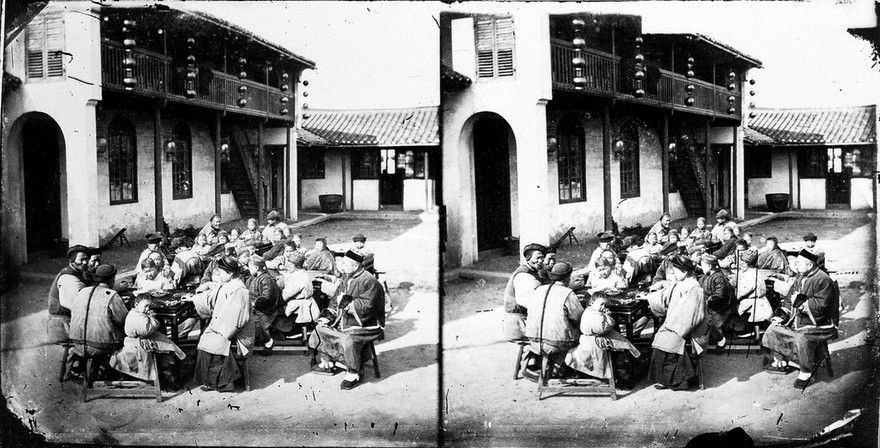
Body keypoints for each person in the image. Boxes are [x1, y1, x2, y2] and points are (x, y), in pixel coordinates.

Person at [308, 251, 385, 390]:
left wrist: (349, 305)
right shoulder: (346, 277)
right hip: (344, 318)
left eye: (345, 264)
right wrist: (327, 316)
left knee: (348, 339)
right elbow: (335, 300)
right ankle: (328, 361)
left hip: (367, 323)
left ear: (355, 266)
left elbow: (369, 306)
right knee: (320, 328)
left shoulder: (369, 281)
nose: (341, 266)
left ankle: (353, 372)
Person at [761, 250, 839, 388]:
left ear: (809, 265)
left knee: (802, 338)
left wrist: (803, 305)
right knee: (773, 328)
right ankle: (786, 359)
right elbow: (789, 298)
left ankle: (806, 371)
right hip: (799, 318)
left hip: (820, 322)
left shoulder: (823, 279)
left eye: (798, 263)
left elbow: (823, 305)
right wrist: (782, 315)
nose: (795, 266)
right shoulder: (800, 276)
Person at [187, 256, 254, 392]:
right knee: (207, 337)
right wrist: (194, 298)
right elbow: (212, 295)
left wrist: (219, 331)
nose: (219, 275)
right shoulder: (228, 285)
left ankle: (224, 382)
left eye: (221, 272)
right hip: (226, 325)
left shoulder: (240, 290)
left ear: (229, 273)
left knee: (212, 342)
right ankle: (214, 379)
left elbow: (236, 319)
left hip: (237, 332)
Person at [647, 255, 709, 390]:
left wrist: (671, 327)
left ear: (685, 272)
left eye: (675, 271)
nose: (674, 274)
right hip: (678, 323)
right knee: (660, 336)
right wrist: (649, 296)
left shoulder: (694, 288)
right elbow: (667, 294)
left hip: (690, 329)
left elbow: (690, 317)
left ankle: (679, 380)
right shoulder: (682, 283)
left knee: (665, 341)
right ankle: (667, 378)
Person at [522, 262, 584, 382]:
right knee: (583, 335)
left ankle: (548, 367)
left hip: (533, 340)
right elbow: (578, 318)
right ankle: (561, 370)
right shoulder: (567, 293)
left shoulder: (538, 289)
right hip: (556, 344)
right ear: (568, 277)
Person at [109, 295, 186, 385]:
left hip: (142, 337)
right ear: (137, 304)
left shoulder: (137, 313)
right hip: (138, 341)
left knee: (167, 341)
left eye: (149, 306)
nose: (148, 309)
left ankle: (170, 365)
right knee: (167, 344)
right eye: (145, 306)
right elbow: (146, 330)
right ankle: (164, 374)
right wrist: (153, 319)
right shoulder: (135, 317)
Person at [69, 264, 129, 379]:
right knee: (128, 334)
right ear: (112, 279)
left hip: (77, 342)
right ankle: (117, 371)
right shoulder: (112, 295)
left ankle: (95, 368)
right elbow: (122, 320)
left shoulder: (82, 291)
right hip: (100, 346)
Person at [566, 293, 640, 381]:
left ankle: (621, 365)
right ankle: (619, 368)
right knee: (622, 343)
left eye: (604, 304)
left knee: (620, 339)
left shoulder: (591, 311)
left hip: (593, 337)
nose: (603, 307)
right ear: (592, 302)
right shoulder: (593, 314)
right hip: (593, 340)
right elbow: (601, 329)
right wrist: (608, 317)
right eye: (601, 304)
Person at [47, 245, 90, 346]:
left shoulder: (77, 272)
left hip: (66, 321)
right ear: (72, 260)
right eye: (81, 259)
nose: (85, 262)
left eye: (87, 259)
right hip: (63, 325)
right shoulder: (68, 277)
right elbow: (77, 305)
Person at [503, 244, 547, 342]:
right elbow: (530, 304)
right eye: (537, 258)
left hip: (523, 320)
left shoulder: (533, 271)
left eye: (542, 258)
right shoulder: (524, 276)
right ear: (528, 258)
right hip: (519, 324)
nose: (540, 261)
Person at [244, 255, 283, 354]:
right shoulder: (252, 278)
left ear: (257, 267)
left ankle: (269, 341)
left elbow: (267, 297)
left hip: (266, 308)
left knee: (258, 325)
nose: (249, 269)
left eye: (250, 267)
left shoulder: (266, 279)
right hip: (254, 307)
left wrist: (253, 303)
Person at [698, 254, 733, 351]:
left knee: (711, 321)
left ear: (709, 266)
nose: (702, 267)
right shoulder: (705, 277)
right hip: (706, 305)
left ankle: (721, 339)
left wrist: (706, 303)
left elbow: (719, 296)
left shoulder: (719, 277)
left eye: (703, 265)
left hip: (718, 307)